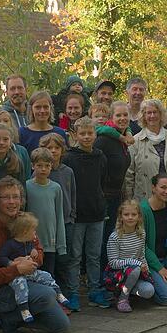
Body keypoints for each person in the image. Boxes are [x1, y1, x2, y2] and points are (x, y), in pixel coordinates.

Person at [0, 177, 70, 333]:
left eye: (16, 197)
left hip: (28, 280)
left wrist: (31, 260)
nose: (12, 202)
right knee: (47, 295)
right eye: (6, 197)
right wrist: (16, 269)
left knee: (61, 326)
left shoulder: (24, 222)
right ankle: (4, 318)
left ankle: (15, 319)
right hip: (1, 291)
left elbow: (39, 251)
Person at [63, 117, 110, 308]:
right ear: (75, 135)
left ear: (95, 134)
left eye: (90, 133)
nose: (86, 137)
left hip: (97, 213)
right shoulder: (69, 158)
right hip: (77, 214)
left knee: (94, 255)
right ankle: (73, 292)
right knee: (75, 257)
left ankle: (94, 290)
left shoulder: (100, 157)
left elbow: (102, 182)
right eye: (82, 133)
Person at [0, 212, 69, 323]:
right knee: (21, 286)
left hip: (30, 272)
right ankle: (24, 308)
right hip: (17, 274)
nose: (35, 233)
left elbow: (36, 252)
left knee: (46, 275)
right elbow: (1, 258)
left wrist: (34, 252)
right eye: (33, 230)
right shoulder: (10, 244)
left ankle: (58, 292)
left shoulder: (29, 242)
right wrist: (11, 263)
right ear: (25, 232)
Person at [38, 133, 78, 310]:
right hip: (46, 224)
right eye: (49, 148)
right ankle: (50, 297)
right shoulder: (39, 173)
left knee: (65, 259)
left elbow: (73, 195)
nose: (53, 151)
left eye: (56, 148)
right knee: (47, 262)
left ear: (63, 150)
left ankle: (67, 295)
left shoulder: (67, 171)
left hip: (66, 222)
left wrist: (72, 215)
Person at [94, 101, 133, 274]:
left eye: (125, 115)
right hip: (104, 197)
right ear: (111, 118)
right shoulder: (104, 140)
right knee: (104, 240)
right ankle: (102, 278)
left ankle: (112, 276)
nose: (122, 118)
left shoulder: (123, 139)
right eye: (118, 115)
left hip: (117, 196)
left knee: (112, 238)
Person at [105, 200, 155, 312]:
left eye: (134, 214)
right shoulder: (115, 237)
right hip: (117, 273)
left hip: (136, 272)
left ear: (139, 217)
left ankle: (126, 291)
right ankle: (123, 299)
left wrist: (146, 270)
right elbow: (113, 262)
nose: (130, 217)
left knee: (148, 291)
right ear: (121, 217)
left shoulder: (141, 233)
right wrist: (136, 264)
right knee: (135, 269)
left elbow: (141, 256)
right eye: (126, 215)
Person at [124, 99, 167, 202]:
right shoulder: (135, 141)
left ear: (161, 114)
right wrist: (130, 201)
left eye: (155, 112)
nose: (152, 116)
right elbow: (129, 176)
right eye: (148, 113)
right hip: (144, 200)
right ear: (143, 116)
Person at [25, 148, 66, 274]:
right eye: (39, 165)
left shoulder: (56, 188)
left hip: (50, 243)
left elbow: (59, 216)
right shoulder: (26, 186)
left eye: (47, 166)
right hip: (31, 243)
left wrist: (61, 245)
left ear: (51, 166)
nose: (43, 169)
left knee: (49, 276)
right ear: (32, 166)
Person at [139, 174, 167, 305]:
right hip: (151, 262)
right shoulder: (143, 210)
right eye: (163, 187)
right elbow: (141, 246)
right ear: (153, 188)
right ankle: (139, 286)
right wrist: (159, 268)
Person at [19, 90, 67, 155]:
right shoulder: (22, 133)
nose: (42, 111)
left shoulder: (60, 133)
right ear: (31, 109)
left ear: (51, 108)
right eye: (38, 107)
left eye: (45, 107)